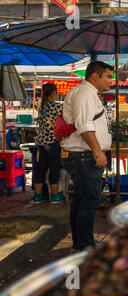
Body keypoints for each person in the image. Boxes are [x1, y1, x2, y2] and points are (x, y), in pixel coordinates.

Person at [60, 61, 113, 253]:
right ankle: (84, 245)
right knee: (89, 201)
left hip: (85, 155)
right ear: (95, 76)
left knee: (82, 200)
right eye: (108, 76)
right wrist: (98, 152)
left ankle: (81, 243)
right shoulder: (84, 93)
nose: (111, 81)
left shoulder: (89, 93)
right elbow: (84, 125)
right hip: (84, 156)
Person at [33, 82, 65, 203]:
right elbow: (68, 117)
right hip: (52, 142)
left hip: (42, 144)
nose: (57, 95)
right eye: (56, 93)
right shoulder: (55, 106)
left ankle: (37, 196)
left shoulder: (42, 106)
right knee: (54, 168)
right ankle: (56, 196)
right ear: (53, 93)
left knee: (41, 169)